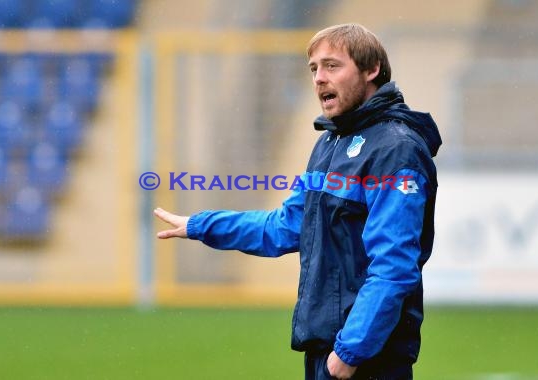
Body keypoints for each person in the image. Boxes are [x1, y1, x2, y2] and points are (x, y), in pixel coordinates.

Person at [154, 23, 441, 380]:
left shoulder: (395, 149)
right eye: (314, 69)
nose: (319, 78)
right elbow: (286, 227)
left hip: (366, 358)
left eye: (332, 66)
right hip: (328, 349)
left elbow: (394, 265)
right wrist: (202, 225)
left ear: (372, 71)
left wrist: (352, 350)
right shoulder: (330, 143)